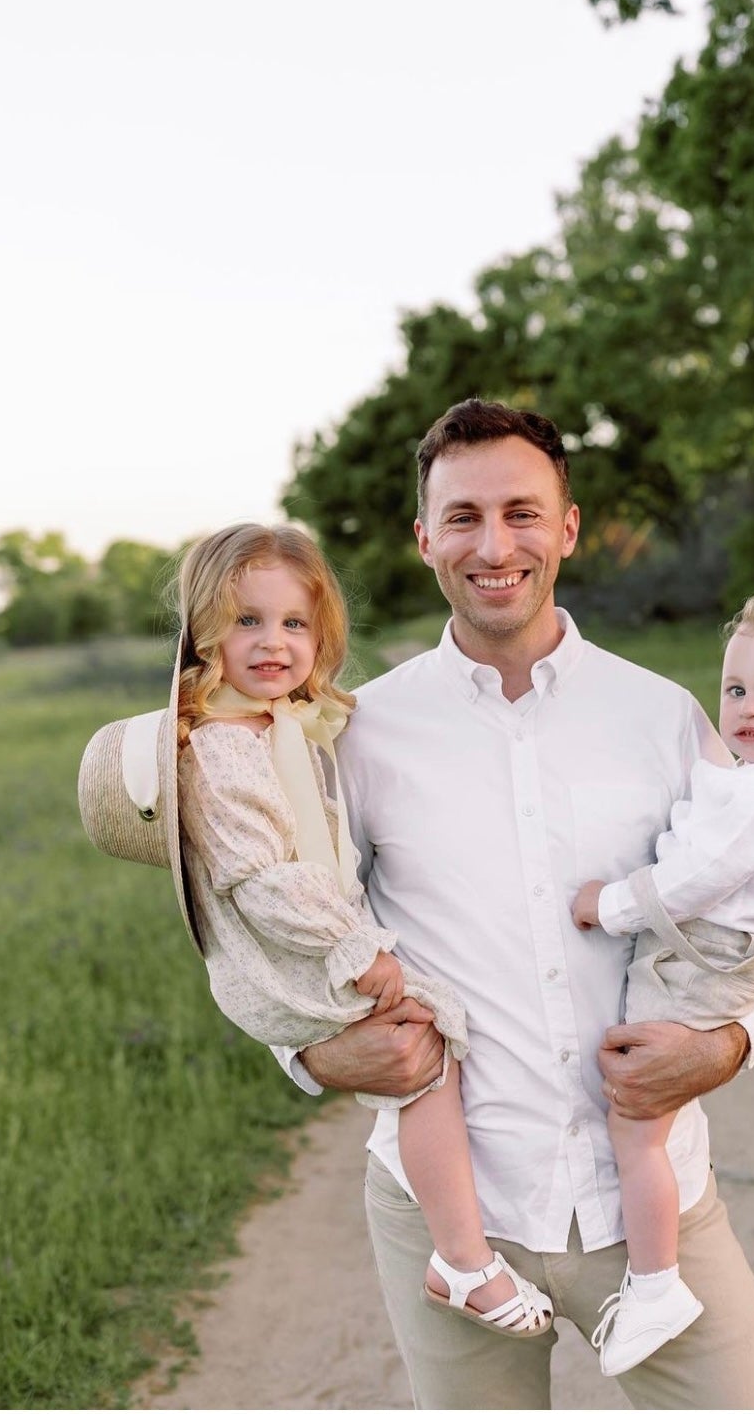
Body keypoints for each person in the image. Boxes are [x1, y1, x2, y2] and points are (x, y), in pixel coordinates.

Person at [283, 398, 754, 1410]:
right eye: (464, 516)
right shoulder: (356, 734)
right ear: (425, 536)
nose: (495, 543)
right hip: (450, 1221)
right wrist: (309, 1055)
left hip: (653, 1211)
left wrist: (733, 1044)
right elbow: (279, 934)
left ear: (566, 527)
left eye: (522, 511)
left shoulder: (663, 719)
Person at [174, 523, 553, 1338]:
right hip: (295, 955)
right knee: (428, 1042)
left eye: (294, 623)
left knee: (433, 1049)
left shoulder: (283, 724)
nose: (273, 641)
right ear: (205, 629)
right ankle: (462, 1254)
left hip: (316, 937)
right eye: (246, 621)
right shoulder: (221, 745)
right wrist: (361, 949)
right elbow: (260, 880)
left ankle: (468, 1240)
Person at [570, 588, 754, 1373]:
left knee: (637, 1121)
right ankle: (654, 1275)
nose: (748, 708)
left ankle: (656, 1281)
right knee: (643, 1122)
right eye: (735, 689)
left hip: (699, 960)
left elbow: (695, 877)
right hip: (707, 952)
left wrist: (609, 905)